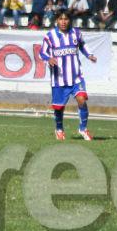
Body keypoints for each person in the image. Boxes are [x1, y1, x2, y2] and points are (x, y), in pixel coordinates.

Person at [38, 10, 97, 142]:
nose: (63, 22)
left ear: (69, 20)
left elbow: (82, 45)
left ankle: (83, 128)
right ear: (56, 21)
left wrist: (89, 55)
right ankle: (59, 129)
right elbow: (42, 53)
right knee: (59, 107)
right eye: (60, 19)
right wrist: (49, 59)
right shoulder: (50, 36)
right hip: (59, 79)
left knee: (82, 99)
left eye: (66, 19)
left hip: (76, 76)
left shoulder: (76, 33)